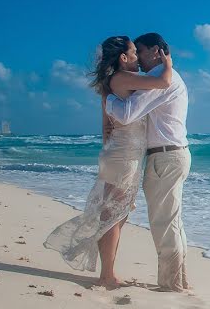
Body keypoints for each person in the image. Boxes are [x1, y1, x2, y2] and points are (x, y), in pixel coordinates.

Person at [44, 35, 173, 288]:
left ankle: (108, 272)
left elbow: (106, 128)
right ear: (123, 58)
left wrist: (113, 152)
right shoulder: (122, 78)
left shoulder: (111, 83)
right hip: (125, 158)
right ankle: (108, 276)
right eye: (134, 52)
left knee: (113, 213)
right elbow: (163, 82)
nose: (137, 57)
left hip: (119, 155)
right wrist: (167, 62)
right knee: (114, 216)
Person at [105, 33, 191, 292]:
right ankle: (178, 280)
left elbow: (128, 113)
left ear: (155, 51)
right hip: (171, 154)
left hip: (165, 156)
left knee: (164, 223)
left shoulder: (161, 80)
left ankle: (171, 284)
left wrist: (107, 99)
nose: (138, 59)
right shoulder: (166, 78)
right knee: (172, 221)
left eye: (140, 52)